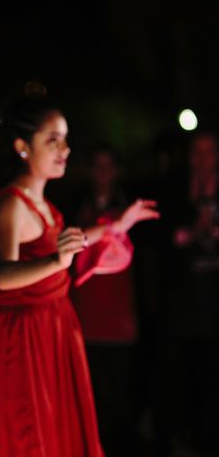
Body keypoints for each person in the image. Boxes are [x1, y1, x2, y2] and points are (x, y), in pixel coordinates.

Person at [0, 96, 159, 457]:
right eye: (53, 140)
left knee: (58, 434)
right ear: (22, 147)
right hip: (21, 336)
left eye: (66, 139)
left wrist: (115, 225)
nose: (65, 149)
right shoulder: (10, 203)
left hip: (51, 327)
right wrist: (58, 261)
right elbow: (4, 277)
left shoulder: (43, 203)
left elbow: (71, 242)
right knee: (30, 436)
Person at [68, 144, 142, 456]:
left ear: (117, 171)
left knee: (122, 402)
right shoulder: (74, 208)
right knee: (89, 401)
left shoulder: (129, 210)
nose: (102, 173)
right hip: (85, 322)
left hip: (121, 322)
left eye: (108, 166)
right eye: (97, 166)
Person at [152, 130, 219, 456]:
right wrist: (192, 231)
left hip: (214, 309)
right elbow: (163, 241)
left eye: (209, 152)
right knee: (178, 383)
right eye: (197, 152)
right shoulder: (175, 191)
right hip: (180, 309)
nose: (203, 159)